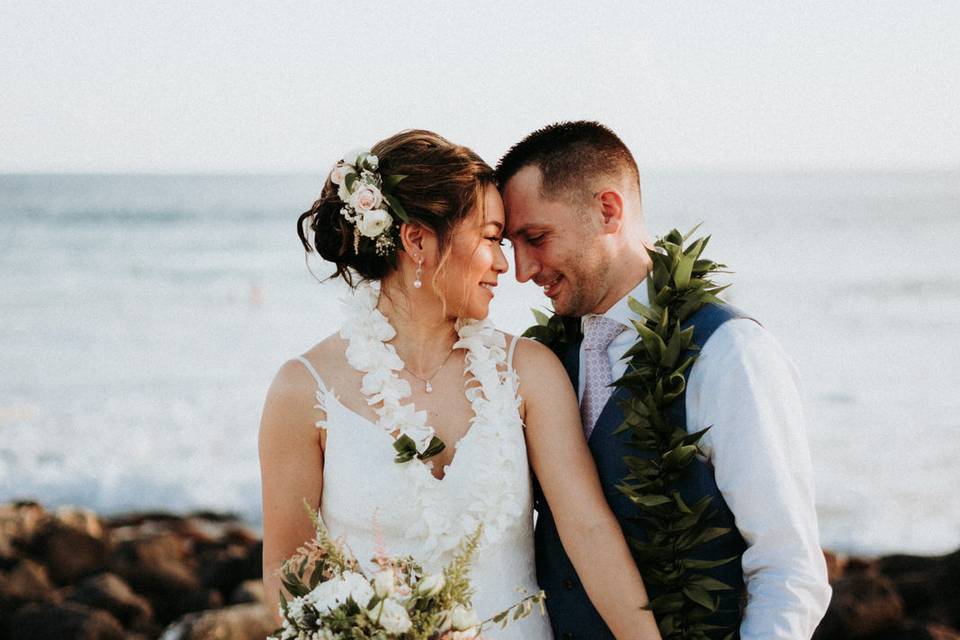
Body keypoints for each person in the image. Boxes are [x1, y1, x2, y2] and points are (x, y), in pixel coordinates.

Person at [258, 130, 662, 639]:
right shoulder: (303, 390)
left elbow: (591, 534)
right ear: (417, 241)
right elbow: (287, 578)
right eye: (491, 237)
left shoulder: (528, 372)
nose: (505, 265)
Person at [496, 121, 832, 639]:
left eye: (536, 238)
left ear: (608, 210)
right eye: (510, 243)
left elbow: (789, 569)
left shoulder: (729, 352)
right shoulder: (543, 360)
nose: (521, 269)